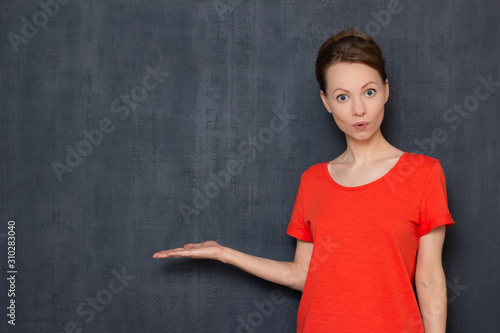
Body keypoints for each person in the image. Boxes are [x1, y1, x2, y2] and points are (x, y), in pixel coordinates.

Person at [153, 27, 455, 332]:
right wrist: (225, 254)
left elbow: (429, 278)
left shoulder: (423, 173)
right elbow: (303, 274)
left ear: (386, 90)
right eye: (342, 97)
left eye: (369, 91)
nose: (359, 109)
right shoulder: (313, 181)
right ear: (326, 101)